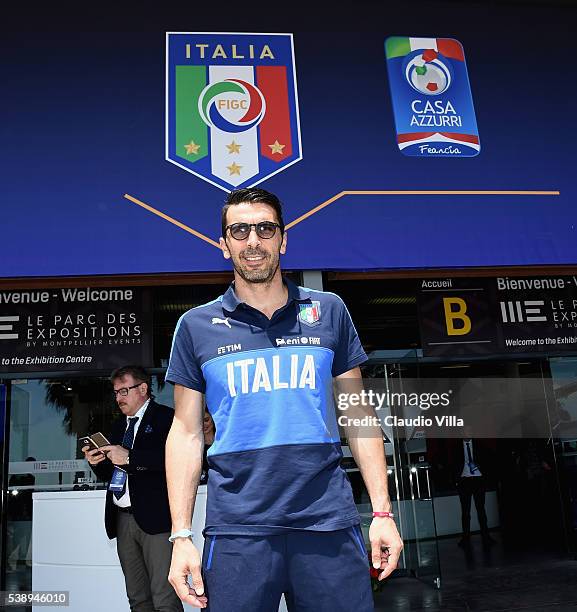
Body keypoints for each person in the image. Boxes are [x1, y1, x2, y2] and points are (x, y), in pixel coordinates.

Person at [165, 187, 403, 611]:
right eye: (239, 231)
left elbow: (358, 413)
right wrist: (181, 535)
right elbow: (184, 432)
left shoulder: (329, 310)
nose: (252, 240)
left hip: (326, 521)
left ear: (283, 239)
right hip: (238, 529)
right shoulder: (195, 326)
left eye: (265, 228)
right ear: (224, 245)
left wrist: (382, 513)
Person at [83, 365, 183, 612]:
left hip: (156, 520)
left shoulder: (167, 418)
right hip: (123, 520)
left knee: (165, 599)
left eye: (124, 391)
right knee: (137, 599)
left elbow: (175, 461)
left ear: (143, 389)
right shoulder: (119, 427)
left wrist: (129, 457)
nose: (118, 398)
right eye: (116, 392)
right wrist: (97, 464)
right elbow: (116, 474)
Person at [449, 426, 495, 547]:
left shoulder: (479, 445)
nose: (467, 433)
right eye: (464, 431)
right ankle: (466, 538)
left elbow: (489, 458)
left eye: (469, 431)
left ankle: (486, 536)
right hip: (464, 481)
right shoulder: (456, 448)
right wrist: (456, 481)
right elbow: (452, 463)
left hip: (478, 480)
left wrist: (484, 474)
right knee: (465, 511)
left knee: (481, 510)